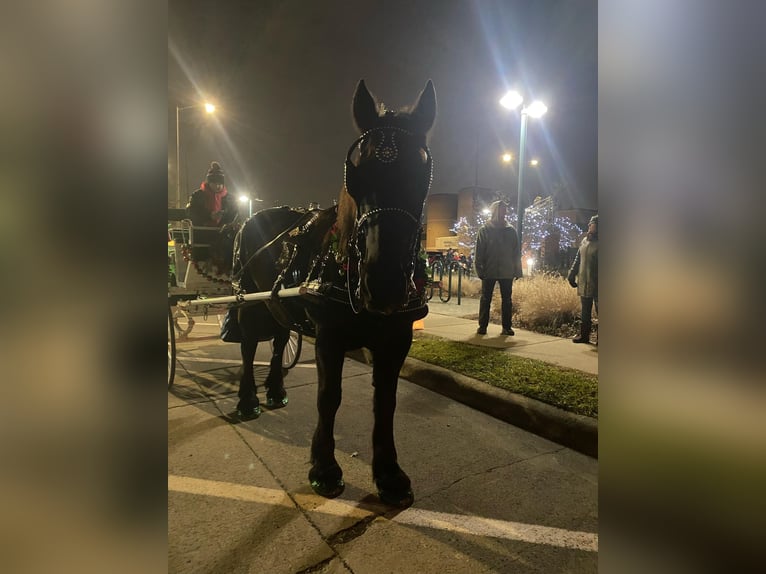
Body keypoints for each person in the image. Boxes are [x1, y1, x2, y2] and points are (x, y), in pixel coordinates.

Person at [474, 200, 523, 336]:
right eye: (502, 209)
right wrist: (480, 270)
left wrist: (517, 270)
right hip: (489, 271)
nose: (505, 212)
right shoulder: (484, 230)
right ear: (495, 211)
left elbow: (516, 253)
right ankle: (482, 326)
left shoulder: (511, 231)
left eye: (505, 210)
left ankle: (506, 327)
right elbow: (479, 252)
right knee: (485, 299)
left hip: (507, 272)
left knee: (507, 300)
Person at [567, 214, 598, 343]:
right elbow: (578, 259)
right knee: (585, 312)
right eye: (590, 224)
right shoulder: (584, 241)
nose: (590, 226)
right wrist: (571, 274)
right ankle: (584, 335)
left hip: (598, 284)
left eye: (593, 224)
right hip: (584, 282)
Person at [186, 161, 238, 227]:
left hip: (224, 234)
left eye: (220, 183)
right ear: (209, 183)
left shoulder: (230, 199)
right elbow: (191, 214)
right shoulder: (198, 196)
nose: (217, 186)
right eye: (214, 183)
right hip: (201, 233)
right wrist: (209, 216)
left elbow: (234, 215)